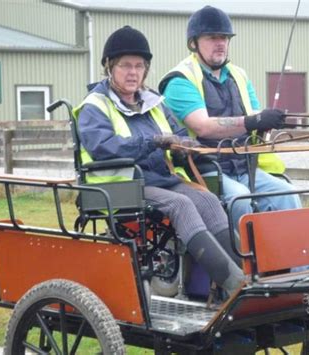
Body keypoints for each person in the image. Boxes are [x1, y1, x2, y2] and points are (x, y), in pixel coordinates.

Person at [73, 25, 244, 296]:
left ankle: (249, 274)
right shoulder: (95, 106)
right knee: (181, 204)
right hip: (120, 186)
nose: (133, 73)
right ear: (109, 67)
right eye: (125, 66)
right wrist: (152, 141)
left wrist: (184, 147)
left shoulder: (154, 101)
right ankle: (234, 285)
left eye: (139, 66)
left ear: (146, 69)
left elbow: (176, 134)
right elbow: (104, 148)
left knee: (209, 201)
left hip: (160, 179)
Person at [159, 6, 302, 231]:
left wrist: (268, 121)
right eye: (212, 37)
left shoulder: (239, 75)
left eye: (225, 38)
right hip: (204, 171)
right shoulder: (179, 80)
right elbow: (203, 127)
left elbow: (254, 117)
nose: (220, 43)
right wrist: (252, 121)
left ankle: (299, 265)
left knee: (288, 194)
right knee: (240, 199)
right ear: (193, 43)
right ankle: (241, 264)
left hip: (243, 166)